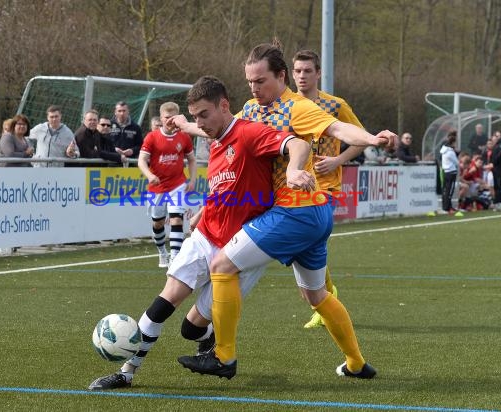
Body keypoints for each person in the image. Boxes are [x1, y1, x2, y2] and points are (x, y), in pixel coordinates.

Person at [177, 41, 395, 380]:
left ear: (281, 76)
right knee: (315, 294)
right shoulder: (251, 109)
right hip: (314, 213)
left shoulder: (297, 107)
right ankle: (356, 363)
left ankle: (223, 356)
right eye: (249, 81)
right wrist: (185, 124)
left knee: (222, 265)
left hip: (295, 211)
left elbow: (337, 129)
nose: (254, 88)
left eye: (260, 80)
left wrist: (371, 139)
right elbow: (221, 129)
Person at [88, 75, 316, 390]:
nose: (200, 124)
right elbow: (224, 187)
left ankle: (210, 344)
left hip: (241, 251)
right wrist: (203, 212)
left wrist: (293, 169)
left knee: (191, 329)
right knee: (163, 303)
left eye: (204, 115)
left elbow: (298, 144)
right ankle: (126, 372)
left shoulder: (249, 133)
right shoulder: (216, 139)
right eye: (195, 117)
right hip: (206, 237)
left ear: (225, 106)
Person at [292, 49, 365, 329]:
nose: (301, 76)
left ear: (318, 73)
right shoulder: (286, 105)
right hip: (294, 190)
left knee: (312, 242)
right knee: (303, 249)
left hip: (326, 187)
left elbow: (360, 139)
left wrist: (337, 159)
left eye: (307, 71)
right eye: (297, 71)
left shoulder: (335, 105)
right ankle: (325, 297)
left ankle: (324, 301)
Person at [138, 102, 197, 267]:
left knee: (176, 219)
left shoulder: (184, 137)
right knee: (157, 222)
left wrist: (192, 179)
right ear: (161, 117)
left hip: (177, 184)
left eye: (173, 117)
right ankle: (162, 252)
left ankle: (175, 257)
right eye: (166, 117)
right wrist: (150, 175)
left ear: (178, 117)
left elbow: (191, 159)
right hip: (157, 188)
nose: (170, 121)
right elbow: (141, 160)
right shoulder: (152, 137)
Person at [439, 131, 458, 213]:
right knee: (449, 191)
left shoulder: (443, 151)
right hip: (452, 172)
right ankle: (447, 208)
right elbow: (456, 162)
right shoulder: (450, 152)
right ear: (453, 143)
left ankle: (447, 206)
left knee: (446, 190)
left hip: (446, 172)